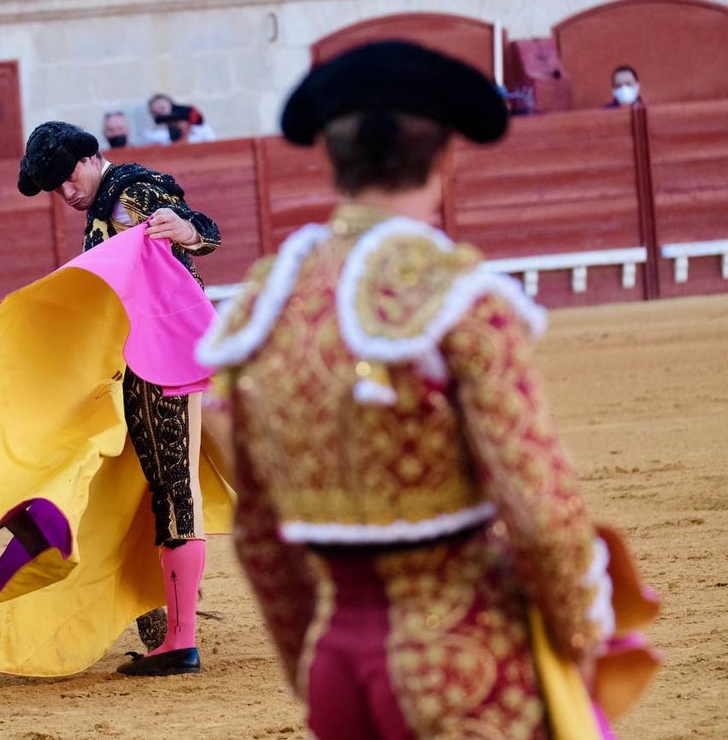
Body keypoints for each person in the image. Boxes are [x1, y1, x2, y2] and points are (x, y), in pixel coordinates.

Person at [196, 41, 658, 738]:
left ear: (329, 160)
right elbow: (538, 506)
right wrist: (580, 638)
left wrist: (311, 663)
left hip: (336, 666)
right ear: (447, 156)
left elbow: (261, 536)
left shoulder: (267, 309)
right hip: (463, 657)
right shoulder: (461, 299)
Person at [0, 121, 227, 679]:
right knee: (151, 488)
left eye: (66, 179)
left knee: (174, 490)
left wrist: (187, 229)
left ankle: (180, 641)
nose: (65, 194)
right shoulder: (101, 209)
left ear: (89, 157)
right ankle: (168, 627)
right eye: (53, 188)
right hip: (139, 362)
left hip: (157, 361)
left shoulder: (130, 189)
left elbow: (194, 223)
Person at [144, 92, 216, 145]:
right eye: (155, 112)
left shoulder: (201, 129)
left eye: (162, 108)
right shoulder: (154, 134)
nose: (161, 114)